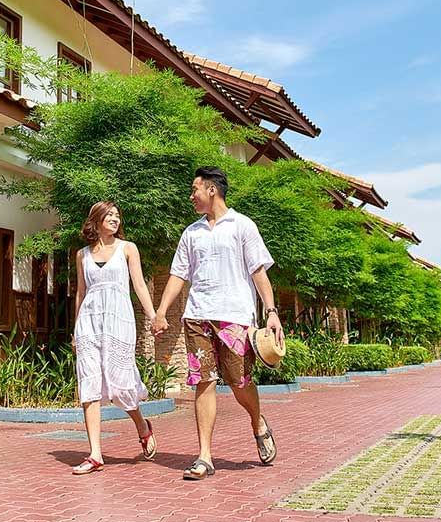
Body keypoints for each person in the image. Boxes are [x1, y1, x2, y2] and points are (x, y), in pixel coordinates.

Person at [152, 166, 283, 480]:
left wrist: (272, 311)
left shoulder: (242, 225)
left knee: (240, 382)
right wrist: (161, 311)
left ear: (211, 189)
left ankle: (257, 422)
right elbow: (178, 275)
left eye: (194, 189)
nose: (191, 196)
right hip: (198, 315)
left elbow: (258, 272)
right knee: (204, 381)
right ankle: (204, 456)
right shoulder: (191, 233)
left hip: (235, 317)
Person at [70, 201, 158, 475]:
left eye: (118, 216)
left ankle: (142, 426)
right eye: (109, 215)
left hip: (118, 320)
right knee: (90, 383)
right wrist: (76, 328)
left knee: (120, 383)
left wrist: (154, 315)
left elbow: (139, 284)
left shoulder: (127, 248)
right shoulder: (81, 255)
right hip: (89, 322)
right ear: (95, 221)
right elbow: (81, 293)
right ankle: (95, 454)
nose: (115, 220)